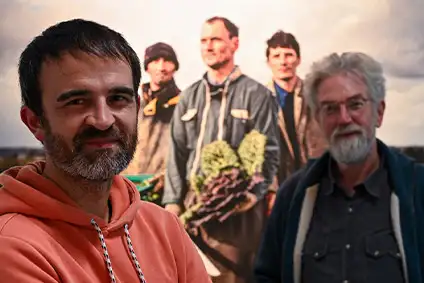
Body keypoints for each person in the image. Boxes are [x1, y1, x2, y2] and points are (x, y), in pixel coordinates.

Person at [0, 19, 211, 283]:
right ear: (35, 121)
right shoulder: (13, 247)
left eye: (117, 99)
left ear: (136, 106)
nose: (103, 120)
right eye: (77, 102)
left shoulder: (165, 229)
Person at [254, 52, 424, 283]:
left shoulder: (417, 189)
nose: (344, 119)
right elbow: (267, 277)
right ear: (317, 118)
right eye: (331, 109)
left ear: (379, 112)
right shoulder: (293, 196)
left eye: (355, 104)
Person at [163, 16, 280, 282]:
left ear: (234, 43)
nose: (208, 46)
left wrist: (251, 195)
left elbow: (270, 152)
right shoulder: (189, 97)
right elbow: (177, 153)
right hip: (194, 210)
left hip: (238, 213)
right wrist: (172, 203)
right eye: (204, 41)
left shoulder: (257, 95)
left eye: (216, 39)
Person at [265, 30, 326, 187]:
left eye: (288, 55)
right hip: (279, 187)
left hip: (314, 183)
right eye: (276, 56)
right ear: (268, 62)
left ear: (298, 60)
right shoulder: (259, 100)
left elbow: (325, 144)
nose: (283, 62)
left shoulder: (316, 95)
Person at [123, 42, 181, 195]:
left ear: (175, 67)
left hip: (163, 188)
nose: (161, 67)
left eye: (167, 61)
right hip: (128, 185)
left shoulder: (183, 106)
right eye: (155, 61)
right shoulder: (132, 104)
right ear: (147, 67)